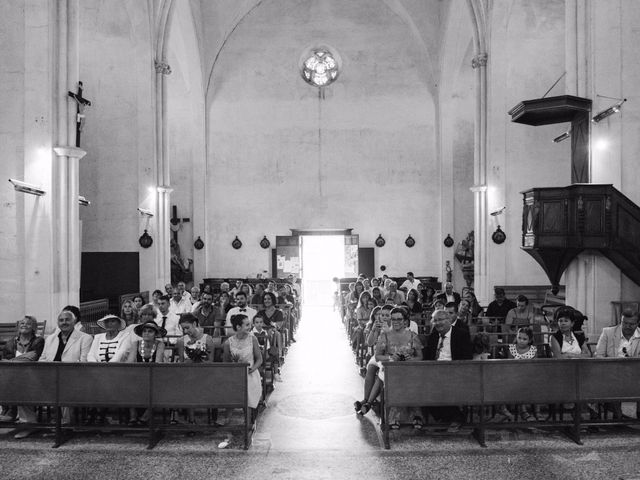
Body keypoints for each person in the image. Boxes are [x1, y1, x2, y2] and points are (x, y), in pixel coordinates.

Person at [358, 307, 423, 429]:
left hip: (409, 369)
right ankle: (393, 415)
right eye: (393, 319)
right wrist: (391, 357)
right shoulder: (385, 336)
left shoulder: (412, 335)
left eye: (399, 319)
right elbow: (377, 356)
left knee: (414, 381)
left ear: (405, 321)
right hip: (391, 368)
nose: (396, 321)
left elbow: (420, 356)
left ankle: (416, 414)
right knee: (393, 380)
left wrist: (411, 359)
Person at [423, 309, 473, 432]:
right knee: (421, 386)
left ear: (449, 320)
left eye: (441, 320)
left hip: (455, 370)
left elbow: (467, 356)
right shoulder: (434, 335)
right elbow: (428, 355)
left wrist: (453, 369)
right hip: (435, 370)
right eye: (435, 320)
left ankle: (456, 417)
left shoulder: (461, 334)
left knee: (442, 386)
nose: (438, 323)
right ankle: (447, 417)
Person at [0, 316, 45, 424]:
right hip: (12, 375)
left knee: (20, 382)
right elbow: (5, 361)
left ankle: (24, 419)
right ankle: (8, 410)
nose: (24, 325)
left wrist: (10, 362)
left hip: (33, 375)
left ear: (33, 327)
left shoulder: (39, 341)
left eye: (28, 324)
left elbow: (33, 357)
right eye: (22, 323)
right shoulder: (11, 343)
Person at [223, 314, 263, 418]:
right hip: (234, 374)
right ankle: (227, 416)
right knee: (230, 389)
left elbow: (259, 359)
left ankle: (248, 419)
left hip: (250, 373)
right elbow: (226, 362)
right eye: (247, 325)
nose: (250, 327)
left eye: (249, 324)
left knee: (248, 391)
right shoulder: (228, 342)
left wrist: (252, 369)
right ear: (238, 327)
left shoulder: (252, 339)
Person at [126, 322, 166, 425]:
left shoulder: (160, 344)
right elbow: (130, 362)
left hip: (155, 376)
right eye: (144, 331)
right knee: (128, 384)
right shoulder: (136, 343)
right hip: (138, 375)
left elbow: (158, 362)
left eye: (150, 331)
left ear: (155, 334)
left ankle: (146, 416)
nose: (146, 333)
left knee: (158, 387)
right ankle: (133, 416)